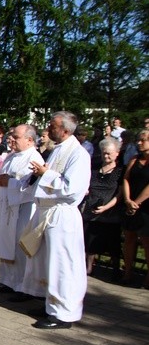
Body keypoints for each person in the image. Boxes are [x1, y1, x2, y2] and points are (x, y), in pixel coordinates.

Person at [24, 111, 91, 329]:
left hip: (62, 214)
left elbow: (72, 189)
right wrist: (40, 174)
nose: (48, 129)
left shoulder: (78, 154)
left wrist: (46, 173)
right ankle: (50, 305)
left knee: (63, 265)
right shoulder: (58, 150)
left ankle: (64, 314)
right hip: (48, 213)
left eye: (52, 126)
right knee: (48, 262)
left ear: (64, 129)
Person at [0, 124, 43, 298]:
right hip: (7, 208)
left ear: (29, 140)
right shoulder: (11, 157)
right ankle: (8, 281)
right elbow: (1, 175)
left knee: (20, 247)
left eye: (16, 137)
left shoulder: (35, 158)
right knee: (6, 243)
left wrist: (10, 182)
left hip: (23, 209)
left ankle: (23, 286)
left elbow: (32, 186)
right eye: (11, 136)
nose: (11, 139)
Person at [82, 138, 123, 280]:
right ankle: (89, 267)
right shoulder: (94, 167)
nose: (106, 156)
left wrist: (106, 207)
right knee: (90, 239)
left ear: (117, 153)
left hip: (110, 210)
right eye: (104, 153)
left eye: (109, 154)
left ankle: (116, 269)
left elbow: (120, 193)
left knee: (113, 241)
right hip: (92, 208)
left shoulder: (120, 171)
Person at [121, 128, 149, 288]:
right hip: (130, 203)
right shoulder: (134, 159)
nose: (139, 143)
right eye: (138, 140)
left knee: (146, 241)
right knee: (129, 239)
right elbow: (126, 179)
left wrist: (136, 203)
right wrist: (128, 200)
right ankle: (127, 272)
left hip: (145, 207)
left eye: (143, 140)